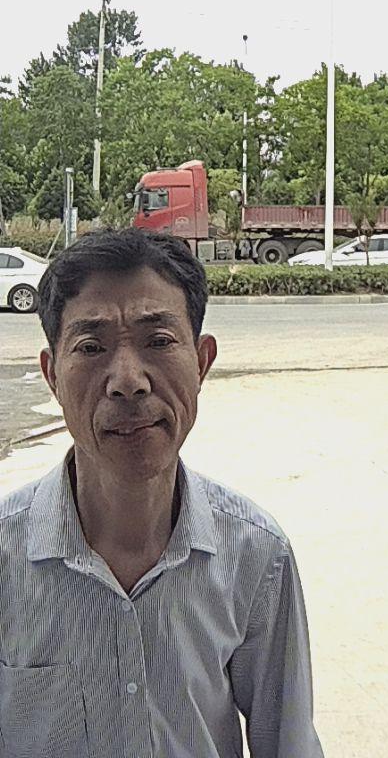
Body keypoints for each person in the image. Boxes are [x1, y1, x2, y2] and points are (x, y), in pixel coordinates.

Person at [0, 229, 324, 758]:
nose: (128, 381)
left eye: (158, 341)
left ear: (202, 361)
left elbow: (288, 743)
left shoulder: (256, 554)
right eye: (91, 347)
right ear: (52, 374)